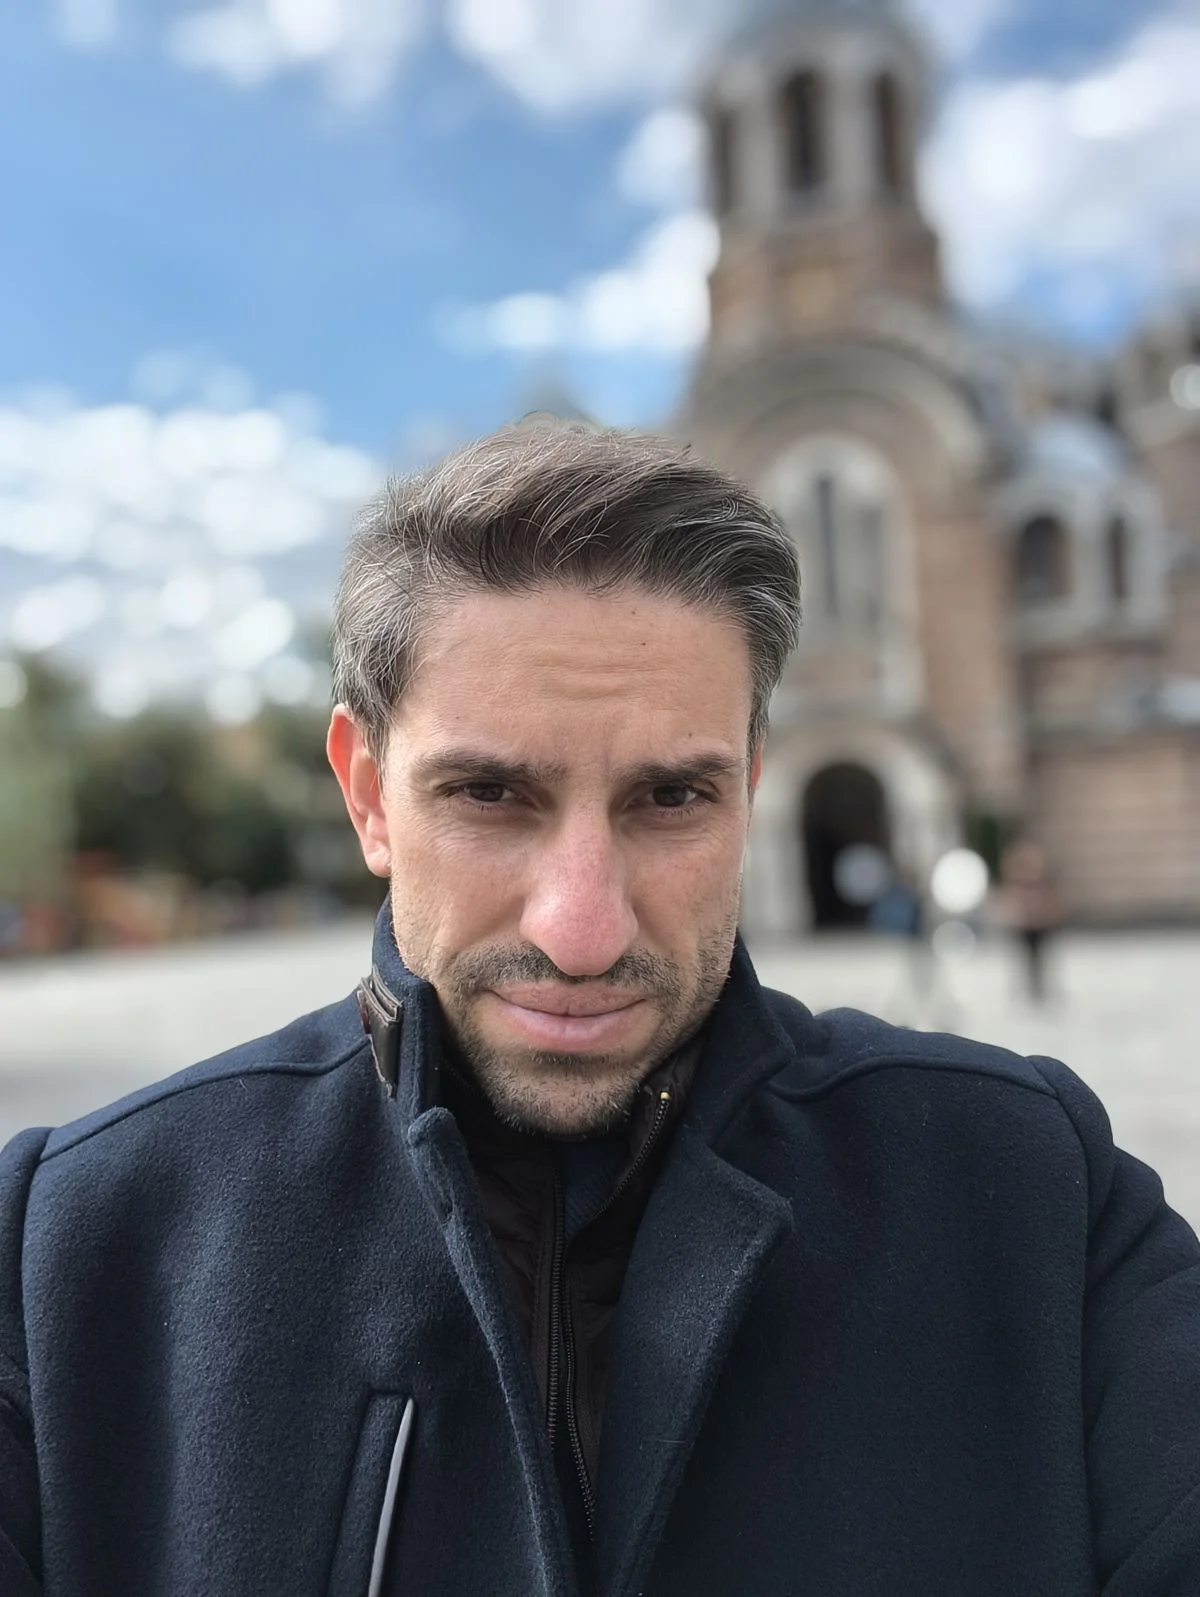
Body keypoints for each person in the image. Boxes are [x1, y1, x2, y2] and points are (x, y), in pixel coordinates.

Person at [1, 425, 1198, 1597]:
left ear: (749, 789)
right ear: (368, 795)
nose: (583, 931)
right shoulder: (74, 1251)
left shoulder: (1032, 1193)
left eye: (671, 798)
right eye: (488, 793)